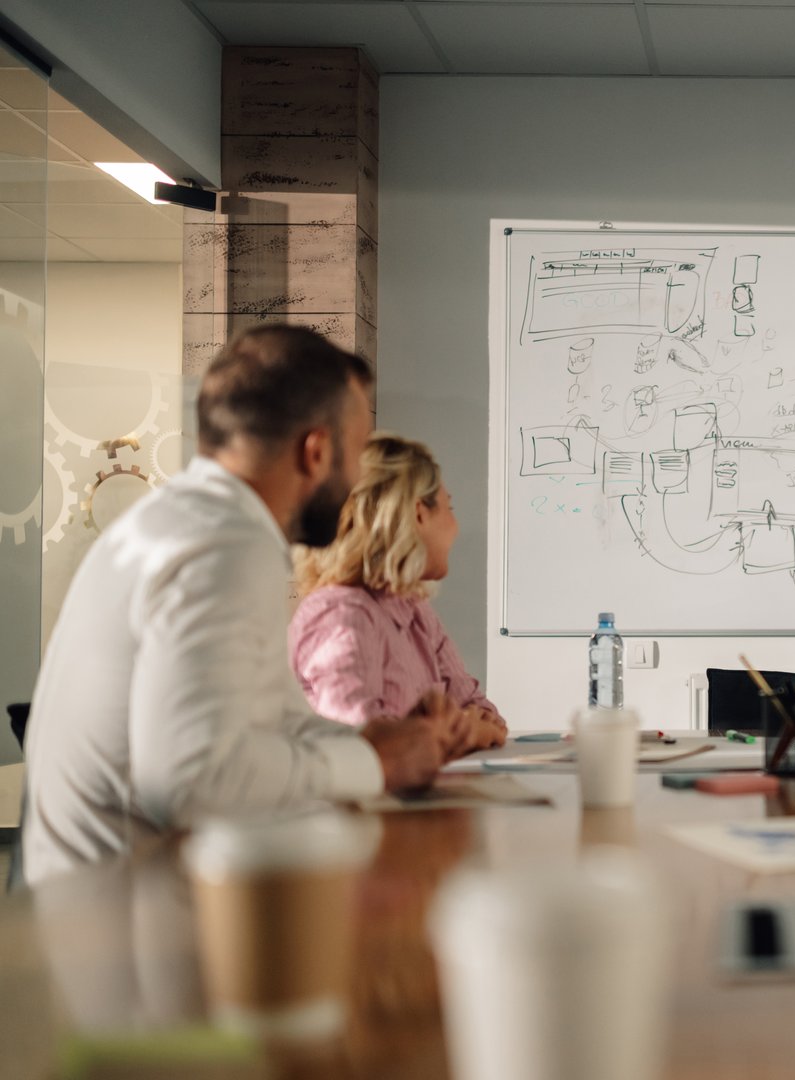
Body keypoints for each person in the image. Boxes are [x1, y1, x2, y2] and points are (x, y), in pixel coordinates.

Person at [23, 326, 467, 885]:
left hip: (108, 903)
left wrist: (386, 741)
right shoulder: (226, 547)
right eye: (356, 454)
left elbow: (274, 721)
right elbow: (193, 781)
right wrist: (376, 764)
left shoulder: (187, 522)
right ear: (317, 451)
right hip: (116, 925)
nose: (358, 481)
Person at [290, 433, 507, 747]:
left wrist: (467, 726)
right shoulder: (341, 615)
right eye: (450, 506)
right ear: (419, 513)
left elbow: (480, 710)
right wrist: (464, 731)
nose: (456, 526)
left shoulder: (413, 608)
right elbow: (360, 743)